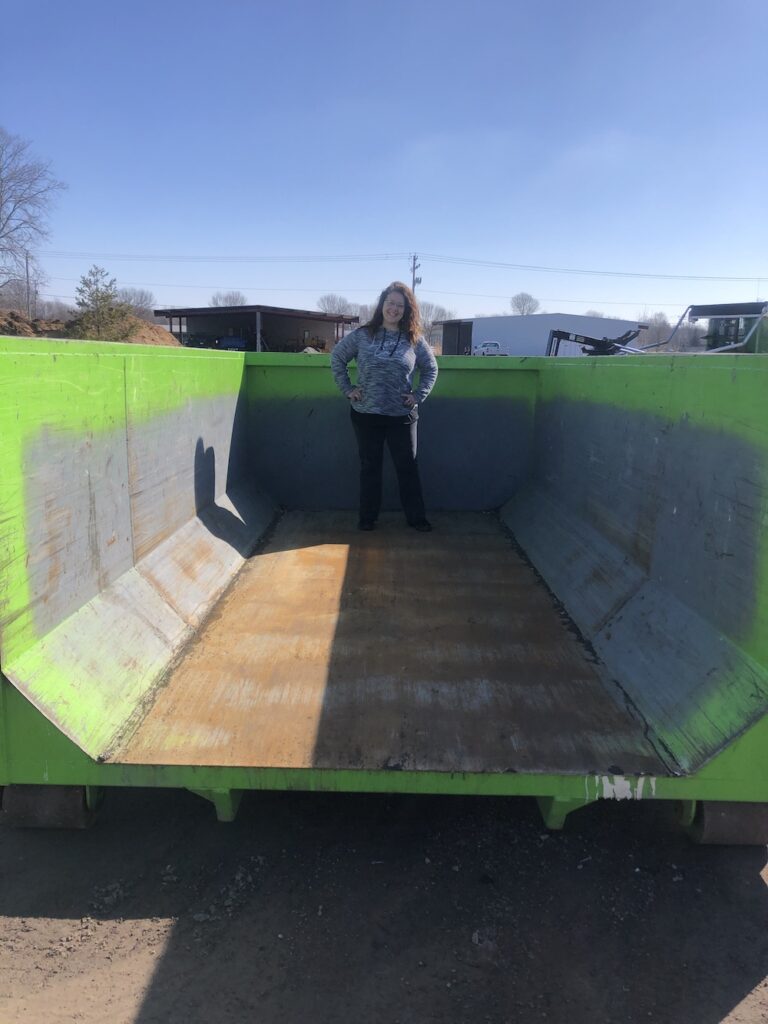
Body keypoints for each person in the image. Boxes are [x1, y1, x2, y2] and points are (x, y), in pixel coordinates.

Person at [331, 281, 438, 531]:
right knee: (370, 467)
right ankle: (367, 518)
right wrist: (348, 389)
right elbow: (337, 358)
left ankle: (416, 518)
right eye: (390, 303)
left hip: (401, 416)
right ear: (382, 305)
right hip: (366, 414)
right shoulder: (362, 335)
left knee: (407, 467)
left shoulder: (414, 339)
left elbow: (431, 368)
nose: (394, 309)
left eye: (400, 305)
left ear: (406, 310)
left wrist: (418, 395)